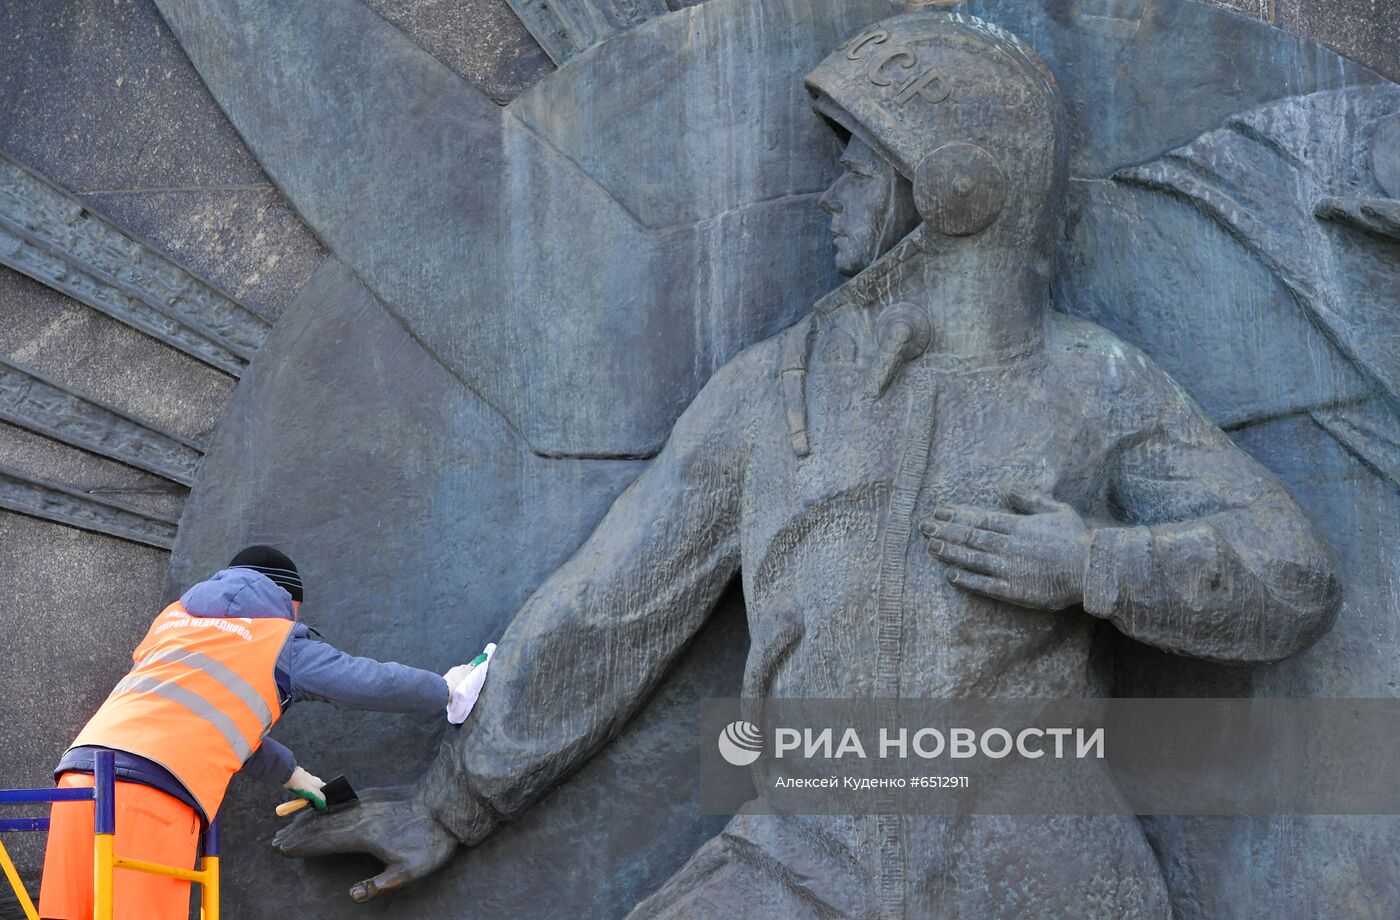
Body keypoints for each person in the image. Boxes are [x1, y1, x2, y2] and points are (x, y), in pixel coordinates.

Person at [276, 12, 1341, 917]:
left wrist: (1094, 565)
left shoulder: (1098, 381)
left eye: (857, 166)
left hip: (1039, 863)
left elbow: (1287, 577)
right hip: (807, 852)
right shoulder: (769, 391)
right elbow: (609, 609)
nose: (827, 193)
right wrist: (452, 805)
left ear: (948, 192)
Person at [37, 545, 486, 920]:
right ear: (289, 601)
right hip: (150, 795)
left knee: (69, 912)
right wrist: (444, 690)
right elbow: (363, 681)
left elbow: (207, 719)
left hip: (78, 780)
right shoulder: (277, 637)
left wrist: (294, 775)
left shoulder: (173, 621)